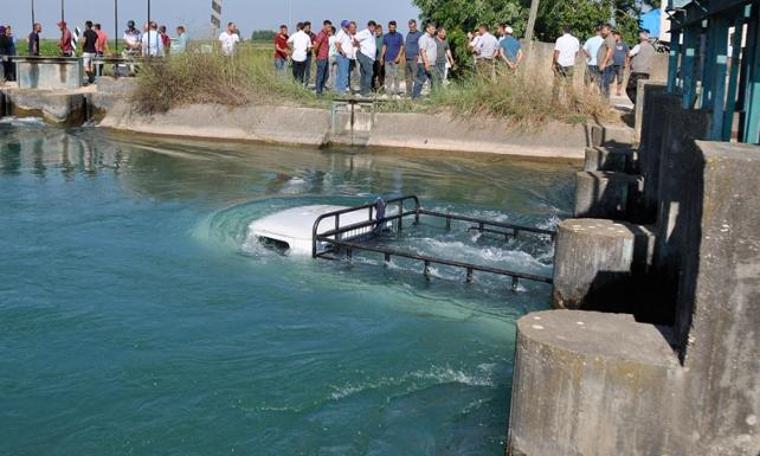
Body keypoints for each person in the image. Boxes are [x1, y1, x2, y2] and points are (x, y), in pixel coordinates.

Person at [626, 31, 656, 105]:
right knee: (641, 91)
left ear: (640, 38)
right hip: (646, 72)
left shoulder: (639, 46)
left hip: (637, 71)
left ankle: (638, 104)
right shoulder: (652, 48)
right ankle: (640, 105)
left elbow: (630, 54)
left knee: (630, 89)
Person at [552, 25, 580, 99]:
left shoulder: (560, 39)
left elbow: (556, 52)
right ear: (570, 31)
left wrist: (554, 64)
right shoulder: (575, 40)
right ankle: (569, 100)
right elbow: (576, 52)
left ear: (563, 31)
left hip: (560, 63)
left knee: (557, 82)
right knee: (569, 84)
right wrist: (571, 58)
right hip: (570, 64)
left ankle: (555, 100)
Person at [412, 22, 438, 99]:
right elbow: (422, 51)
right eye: (432, 28)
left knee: (435, 80)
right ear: (427, 29)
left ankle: (435, 97)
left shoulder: (432, 38)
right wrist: (426, 63)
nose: (434, 30)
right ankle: (415, 97)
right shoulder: (423, 38)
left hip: (431, 64)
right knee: (420, 80)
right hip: (424, 63)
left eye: (434, 28)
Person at [354, 21, 378, 96]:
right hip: (365, 55)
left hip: (369, 57)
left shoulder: (372, 34)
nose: (372, 27)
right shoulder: (365, 32)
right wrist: (358, 46)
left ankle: (363, 91)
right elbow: (356, 38)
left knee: (364, 73)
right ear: (368, 26)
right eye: (371, 26)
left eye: (373, 26)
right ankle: (367, 91)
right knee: (369, 73)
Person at [381, 20, 404, 96]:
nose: (392, 29)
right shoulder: (386, 36)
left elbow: (402, 47)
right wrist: (381, 57)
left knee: (396, 75)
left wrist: (398, 56)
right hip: (387, 59)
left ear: (396, 27)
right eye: (390, 27)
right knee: (388, 75)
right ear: (388, 27)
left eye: (393, 27)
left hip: (396, 59)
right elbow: (384, 46)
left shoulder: (399, 35)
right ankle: (388, 92)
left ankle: (396, 92)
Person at [333, 20, 354, 94]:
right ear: (342, 26)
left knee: (341, 73)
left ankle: (339, 90)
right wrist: (342, 52)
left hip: (346, 57)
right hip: (342, 56)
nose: (347, 27)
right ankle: (341, 90)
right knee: (343, 74)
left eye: (348, 26)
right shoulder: (340, 33)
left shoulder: (347, 33)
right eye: (346, 26)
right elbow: (337, 43)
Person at [404, 19, 423, 97]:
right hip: (407, 59)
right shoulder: (408, 34)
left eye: (413, 26)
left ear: (416, 25)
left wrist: (418, 55)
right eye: (410, 26)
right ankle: (409, 93)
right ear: (409, 26)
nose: (412, 28)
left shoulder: (419, 34)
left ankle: (416, 94)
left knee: (415, 77)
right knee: (408, 77)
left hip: (415, 59)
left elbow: (422, 46)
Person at [313, 20, 332, 95]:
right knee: (320, 75)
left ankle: (320, 89)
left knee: (326, 74)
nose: (330, 28)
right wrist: (317, 54)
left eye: (330, 26)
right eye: (328, 27)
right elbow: (316, 46)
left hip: (325, 57)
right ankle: (318, 91)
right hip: (321, 58)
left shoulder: (326, 35)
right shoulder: (321, 35)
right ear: (324, 26)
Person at [597, 24, 616, 99]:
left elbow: (609, 51)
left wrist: (604, 63)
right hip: (605, 65)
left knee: (604, 85)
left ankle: (604, 103)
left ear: (609, 30)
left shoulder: (610, 39)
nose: (602, 32)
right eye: (602, 30)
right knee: (603, 84)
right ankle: (604, 101)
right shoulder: (607, 39)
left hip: (606, 66)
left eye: (604, 30)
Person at [611, 32, 628, 96]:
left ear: (619, 36)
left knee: (620, 79)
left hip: (621, 64)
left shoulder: (624, 44)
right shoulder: (612, 44)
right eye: (613, 36)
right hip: (612, 64)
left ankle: (618, 91)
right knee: (610, 79)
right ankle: (609, 91)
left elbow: (627, 54)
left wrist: (626, 63)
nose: (614, 37)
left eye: (615, 36)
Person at [303, 22, 316, 86]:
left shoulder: (313, 35)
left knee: (307, 69)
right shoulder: (301, 34)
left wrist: (310, 47)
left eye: (309, 27)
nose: (309, 28)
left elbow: (315, 44)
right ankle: (300, 82)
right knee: (301, 69)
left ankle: (306, 83)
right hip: (301, 54)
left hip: (308, 55)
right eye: (307, 27)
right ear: (304, 27)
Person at [372, 24, 384, 92]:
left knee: (380, 74)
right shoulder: (374, 38)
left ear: (381, 30)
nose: (377, 32)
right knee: (373, 74)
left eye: (379, 30)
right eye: (376, 31)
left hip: (380, 59)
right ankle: (373, 88)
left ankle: (382, 88)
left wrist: (382, 58)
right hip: (374, 59)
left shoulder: (383, 38)